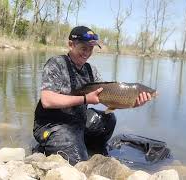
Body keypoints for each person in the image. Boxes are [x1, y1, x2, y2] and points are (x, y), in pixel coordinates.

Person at [33, 26, 152, 165]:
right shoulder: (56, 64)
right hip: (52, 124)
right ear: (71, 45)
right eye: (84, 48)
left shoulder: (91, 71)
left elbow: (109, 100)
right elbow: (47, 100)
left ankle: (86, 147)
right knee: (79, 164)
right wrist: (85, 99)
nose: (87, 53)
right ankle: (54, 145)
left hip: (77, 122)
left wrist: (132, 102)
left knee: (108, 120)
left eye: (91, 49)